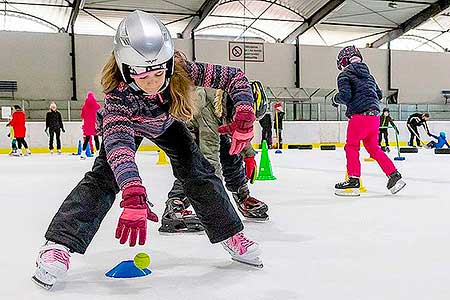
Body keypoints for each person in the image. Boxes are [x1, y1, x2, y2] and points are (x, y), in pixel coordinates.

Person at [32, 11, 262, 291]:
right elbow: (119, 148)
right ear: (125, 68)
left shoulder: (181, 69)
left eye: (157, 72)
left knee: (199, 170)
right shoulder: (118, 97)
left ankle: (231, 234)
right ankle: (58, 245)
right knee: (103, 179)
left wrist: (244, 115)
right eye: (142, 73)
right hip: (128, 126)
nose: (152, 81)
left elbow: (235, 78)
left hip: (166, 126)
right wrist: (132, 191)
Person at [159, 87, 269, 234]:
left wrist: (249, 156)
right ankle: (175, 205)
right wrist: (216, 202)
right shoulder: (206, 106)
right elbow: (210, 157)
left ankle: (242, 196)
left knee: (231, 151)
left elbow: (240, 130)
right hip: (183, 130)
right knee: (197, 167)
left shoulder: (225, 107)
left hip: (208, 129)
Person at [332, 45, 405, 197]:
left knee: (351, 147)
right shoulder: (369, 76)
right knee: (374, 149)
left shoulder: (345, 75)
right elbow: (378, 94)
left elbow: (345, 96)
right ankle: (393, 175)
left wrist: (335, 99)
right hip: (374, 118)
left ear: (344, 61)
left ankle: (353, 180)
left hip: (359, 117)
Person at [80, 91, 101, 158]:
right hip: (95, 124)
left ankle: (83, 153)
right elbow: (100, 115)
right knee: (96, 139)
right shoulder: (97, 106)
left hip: (87, 125)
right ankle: (98, 152)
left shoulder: (84, 106)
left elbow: (82, 115)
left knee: (87, 139)